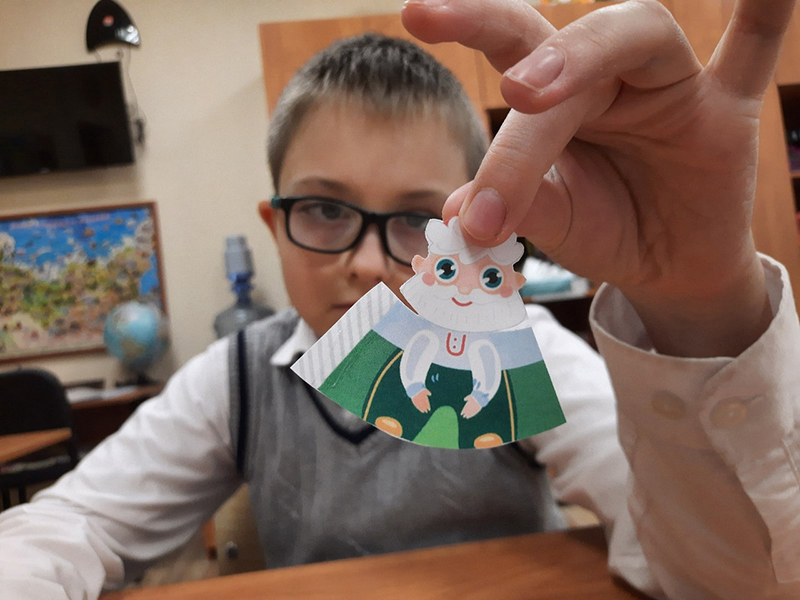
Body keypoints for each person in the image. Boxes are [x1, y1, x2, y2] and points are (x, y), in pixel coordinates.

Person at [1, 0, 799, 598]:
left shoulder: (520, 355)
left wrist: (701, 306)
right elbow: (71, 522)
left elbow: (720, 577)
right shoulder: (237, 375)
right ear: (274, 227)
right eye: (324, 209)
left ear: (482, 229)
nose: (366, 264)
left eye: (420, 220)